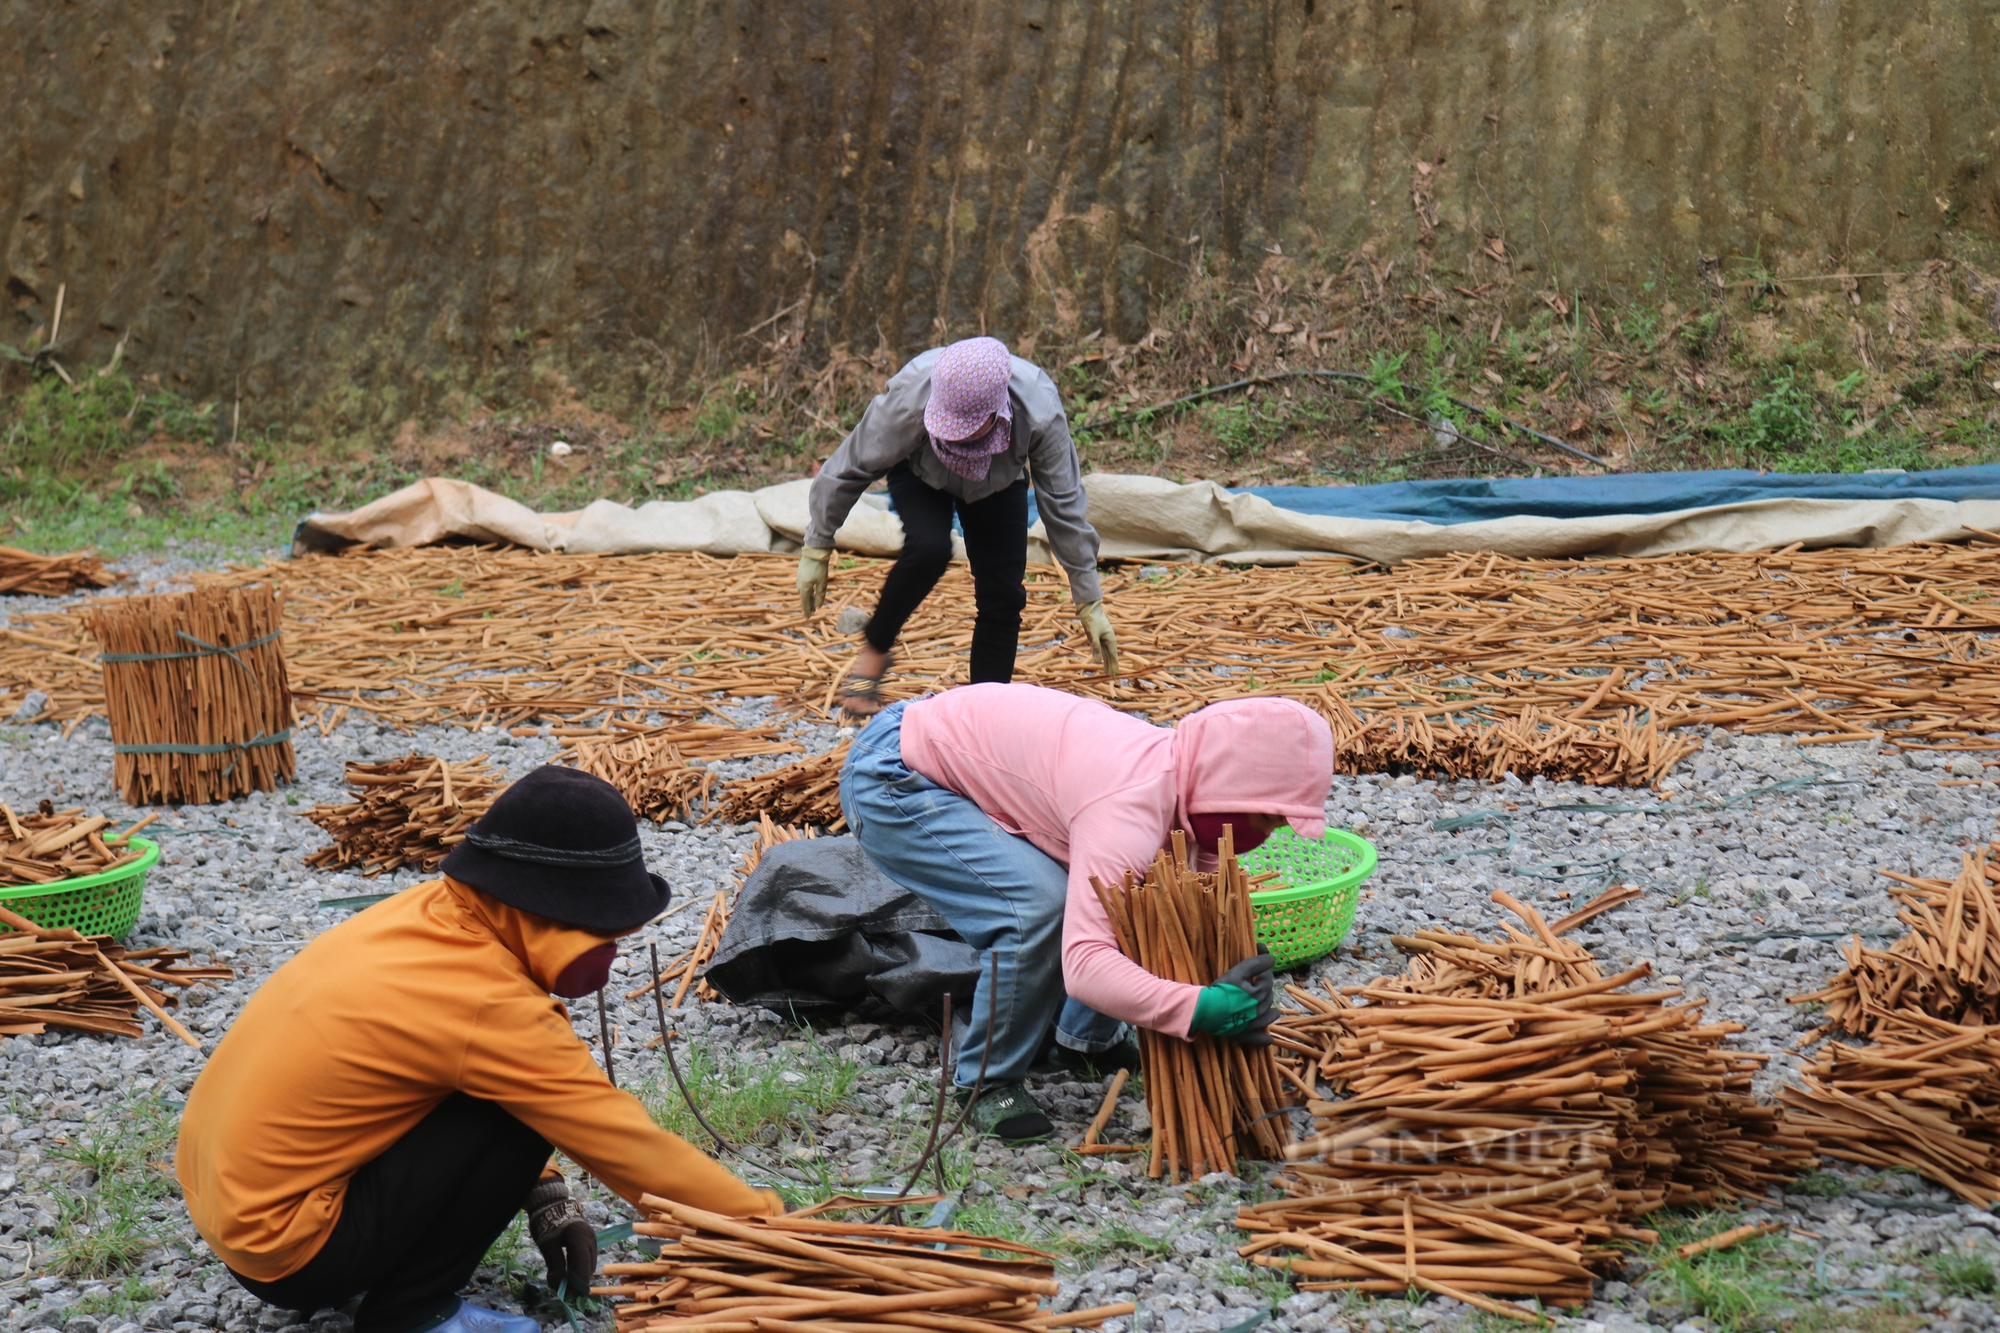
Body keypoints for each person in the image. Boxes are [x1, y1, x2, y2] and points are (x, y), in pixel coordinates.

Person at [176, 768, 779, 1333]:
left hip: (236, 1214)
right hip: (293, 1251)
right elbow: (620, 1141)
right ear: (557, 908)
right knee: (517, 1113)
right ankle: (412, 1313)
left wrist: (542, 1191)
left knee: (505, 1098)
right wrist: (764, 1228)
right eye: (608, 928)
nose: (613, 945)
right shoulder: (486, 1002)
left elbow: (445, 1075)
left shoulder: (430, 916)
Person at [838, 682, 1334, 1141]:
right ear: (1229, 785)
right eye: (1265, 818)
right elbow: (1084, 966)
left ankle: (1084, 1041)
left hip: (953, 749)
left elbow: (1180, 908)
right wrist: (1198, 1008)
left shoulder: (1191, 787)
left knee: (1137, 895)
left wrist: (1227, 961)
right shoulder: (1129, 805)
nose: (1267, 834)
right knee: (1036, 910)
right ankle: (985, 1084)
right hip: (897, 773)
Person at [796, 336, 1116, 716]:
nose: (959, 437)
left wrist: (1088, 595)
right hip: (921, 473)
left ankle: (982, 717)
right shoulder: (912, 393)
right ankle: (875, 650)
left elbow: (1062, 502)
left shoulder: (1039, 408)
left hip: (998, 483)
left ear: (998, 412)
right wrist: (817, 544)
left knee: (1002, 595)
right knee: (928, 549)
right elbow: (851, 465)